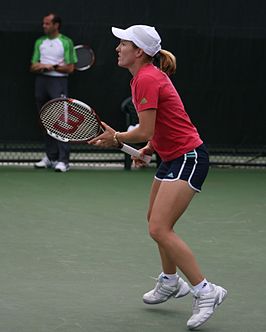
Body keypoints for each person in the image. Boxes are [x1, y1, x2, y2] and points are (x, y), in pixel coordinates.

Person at [88, 25, 227, 330]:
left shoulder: (147, 78)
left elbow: (145, 129)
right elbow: (167, 121)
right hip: (171, 156)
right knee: (156, 221)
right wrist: (150, 148)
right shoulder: (145, 77)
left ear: (139, 51)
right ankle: (170, 282)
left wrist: (119, 138)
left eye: (123, 43)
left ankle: (206, 291)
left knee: (159, 228)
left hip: (188, 158)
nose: (117, 48)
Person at [30, 13, 77, 172]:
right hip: (41, 82)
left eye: (48, 23)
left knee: (60, 121)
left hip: (58, 82)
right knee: (45, 120)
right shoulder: (40, 42)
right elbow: (33, 65)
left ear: (56, 25)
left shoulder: (66, 42)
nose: (44, 26)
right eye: (44, 23)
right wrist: (44, 66)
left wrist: (53, 67)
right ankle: (50, 157)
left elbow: (70, 68)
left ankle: (63, 160)